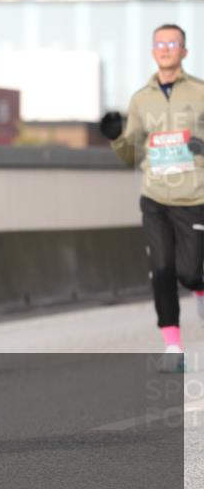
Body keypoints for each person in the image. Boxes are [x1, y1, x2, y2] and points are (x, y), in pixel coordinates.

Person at [101, 23, 204, 371]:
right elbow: (131, 156)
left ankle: (200, 290)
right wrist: (117, 137)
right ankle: (173, 347)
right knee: (161, 269)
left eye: (172, 43)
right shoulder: (140, 99)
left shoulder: (200, 93)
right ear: (152, 51)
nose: (165, 48)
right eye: (159, 43)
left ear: (184, 52)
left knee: (191, 273)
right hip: (155, 197)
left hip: (194, 197)